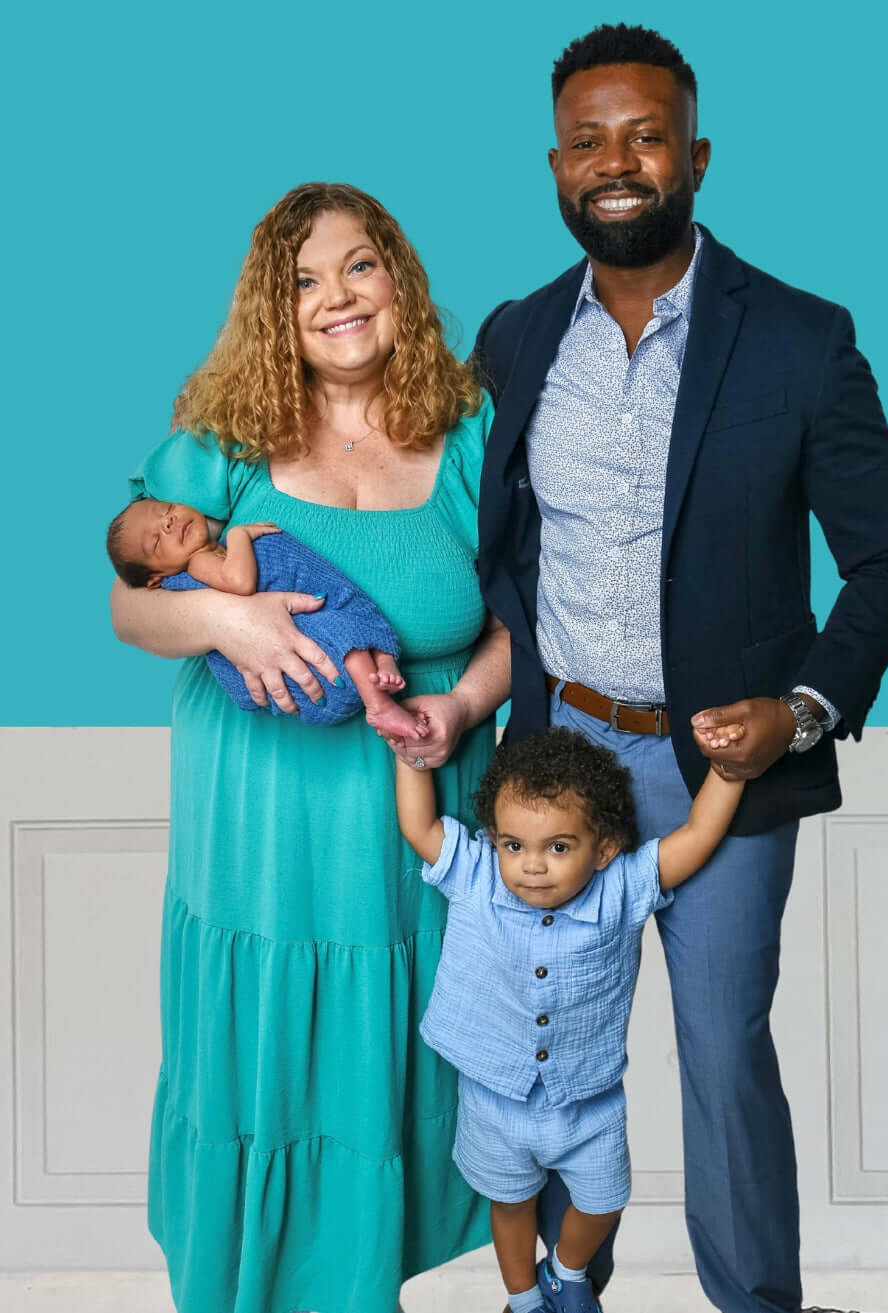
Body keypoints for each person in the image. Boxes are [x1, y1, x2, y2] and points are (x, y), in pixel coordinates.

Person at [472, 23, 888, 1313]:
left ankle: (756, 1303)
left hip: (724, 770)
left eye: (645, 137)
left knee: (723, 1052)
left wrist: (801, 711)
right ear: (555, 165)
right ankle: (557, 1298)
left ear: (697, 155)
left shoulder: (799, 337)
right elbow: (481, 542)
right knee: (551, 1064)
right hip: (557, 767)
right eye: (587, 141)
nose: (615, 163)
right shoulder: (514, 339)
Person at [110, 182, 509, 1313]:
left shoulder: (472, 428)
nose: (337, 296)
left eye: (359, 265)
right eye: (303, 281)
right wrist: (224, 618)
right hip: (259, 827)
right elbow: (128, 603)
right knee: (263, 1070)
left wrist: (463, 707)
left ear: (400, 281)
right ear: (271, 308)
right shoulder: (224, 437)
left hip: (414, 812)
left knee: (390, 1072)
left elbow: (525, 621)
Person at [393, 726, 744, 1313]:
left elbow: (698, 836)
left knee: (605, 1200)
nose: (532, 866)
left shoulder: (622, 887)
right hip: (494, 1096)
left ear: (602, 850)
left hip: (588, 1099)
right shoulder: (476, 876)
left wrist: (728, 773)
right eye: (514, 846)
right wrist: (409, 752)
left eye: (558, 848)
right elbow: (418, 826)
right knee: (510, 1204)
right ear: (495, 841)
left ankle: (565, 1272)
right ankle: (524, 1300)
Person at [106, 498, 427, 736]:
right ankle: (379, 706)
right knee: (344, 639)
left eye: (166, 509)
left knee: (357, 630)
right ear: (155, 578)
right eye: (156, 541)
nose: (167, 522)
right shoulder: (198, 562)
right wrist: (239, 536)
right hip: (293, 660)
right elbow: (240, 583)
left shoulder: (209, 550)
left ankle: (383, 668)